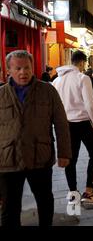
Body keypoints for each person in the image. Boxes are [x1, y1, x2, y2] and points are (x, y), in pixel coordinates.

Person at [0, 50, 71, 226]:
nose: (23, 72)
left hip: (40, 156)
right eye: (18, 68)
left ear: (33, 68)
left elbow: (61, 123)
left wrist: (65, 153)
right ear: (9, 70)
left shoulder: (48, 90)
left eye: (27, 67)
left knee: (45, 200)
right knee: (9, 206)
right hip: (8, 159)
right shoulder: (1, 94)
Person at [53, 50, 93, 205]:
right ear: (82, 62)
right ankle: (89, 192)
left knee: (71, 159)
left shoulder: (57, 80)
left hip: (66, 125)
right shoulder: (83, 78)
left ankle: (73, 195)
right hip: (83, 123)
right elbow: (90, 103)